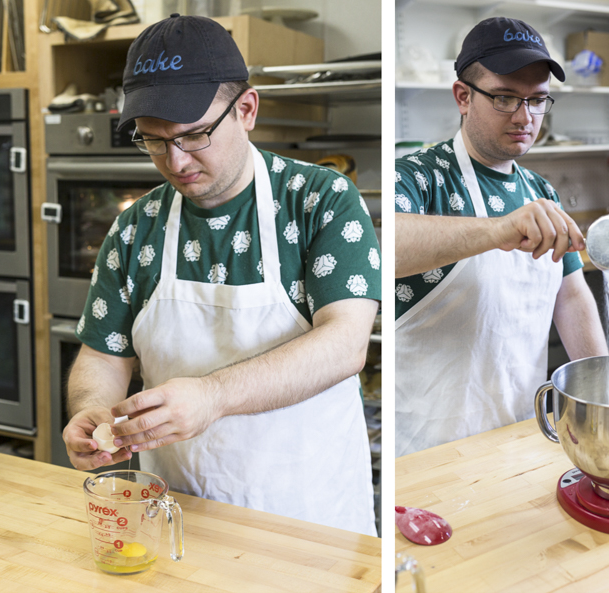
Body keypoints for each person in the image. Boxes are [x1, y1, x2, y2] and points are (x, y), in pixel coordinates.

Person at [62, 14, 382, 537]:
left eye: (194, 135)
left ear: (247, 110)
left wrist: (213, 397)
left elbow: (346, 345)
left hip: (308, 524)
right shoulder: (134, 228)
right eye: (154, 141)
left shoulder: (319, 202)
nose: (175, 160)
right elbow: (102, 356)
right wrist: (93, 410)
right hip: (178, 518)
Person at [394, 17, 608, 457]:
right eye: (506, 97)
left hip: (520, 432)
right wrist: (497, 229)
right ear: (463, 97)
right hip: (428, 446)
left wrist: (602, 387)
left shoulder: (541, 192)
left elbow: (570, 296)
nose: (525, 117)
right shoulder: (418, 178)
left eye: (537, 100)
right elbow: (387, 247)